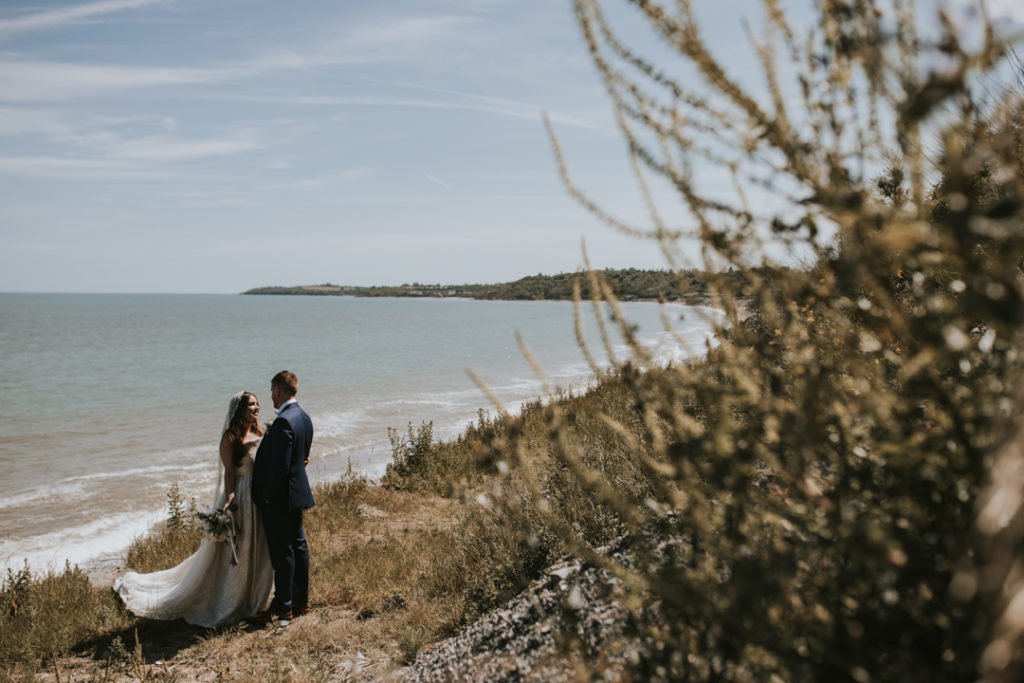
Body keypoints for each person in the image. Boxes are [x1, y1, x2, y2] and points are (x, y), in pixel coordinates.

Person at [113, 392, 274, 627]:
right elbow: (229, 472)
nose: (257, 407)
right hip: (242, 495)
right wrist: (230, 500)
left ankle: (256, 597)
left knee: (258, 546)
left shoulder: (261, 432)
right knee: (239, 548)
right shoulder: (230, 439)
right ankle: (233, 599)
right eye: (251, 404)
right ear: (240, 409)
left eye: (258, 403)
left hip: (259, 495)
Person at [250, 370, 315, 625]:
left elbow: (281, 467)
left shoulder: (284, 422)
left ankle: (283, 606)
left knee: (282, 551)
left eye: (271, 391)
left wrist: (267, 497)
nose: (271, 396)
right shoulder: (304, 417)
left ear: (277, 390)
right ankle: (301, 600)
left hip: (281, 498)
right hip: (297, 493)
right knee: (299, 546)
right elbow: (303, 456)